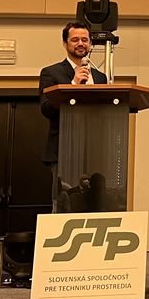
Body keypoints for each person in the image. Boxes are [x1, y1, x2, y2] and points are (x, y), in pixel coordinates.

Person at [39, 21, 108, 208]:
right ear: (65, 43)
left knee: (94, 205)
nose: (80, 43)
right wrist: (73, 85)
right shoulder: (51, 73)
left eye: (85, 40)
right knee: (64, 205)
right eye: (75, 39)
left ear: (90, 44)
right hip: (64, 150)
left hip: (94, 151)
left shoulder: (100, 77)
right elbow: (46, 108)